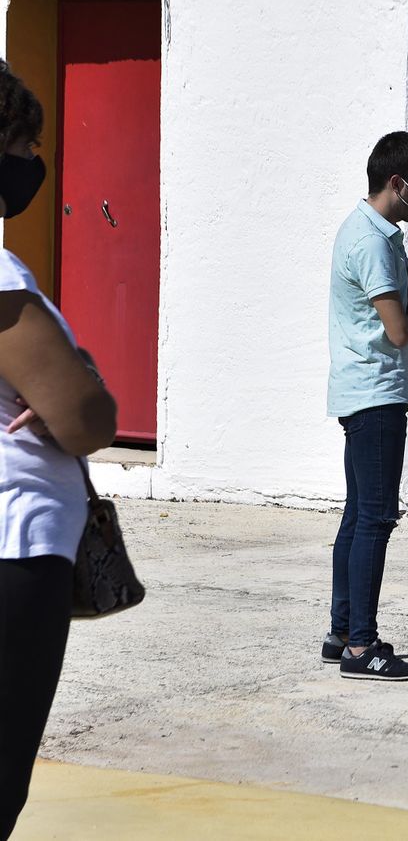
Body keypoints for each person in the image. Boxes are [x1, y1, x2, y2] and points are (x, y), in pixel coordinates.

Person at [0, 58, 119, 838]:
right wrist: (83, 380)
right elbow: (83, 417)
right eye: (26, 141)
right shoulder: (1, 277)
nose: (36, 161)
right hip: (13, 549)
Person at [323, 131, 408, 681]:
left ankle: (342, 633)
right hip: (375, 393)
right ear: (397, 183)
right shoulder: (371, 242)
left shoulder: (382, 233)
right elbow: (401, 332)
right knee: (375, 517)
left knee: (358, 515)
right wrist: (407, 305)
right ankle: (362, 648)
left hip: (368, 391)